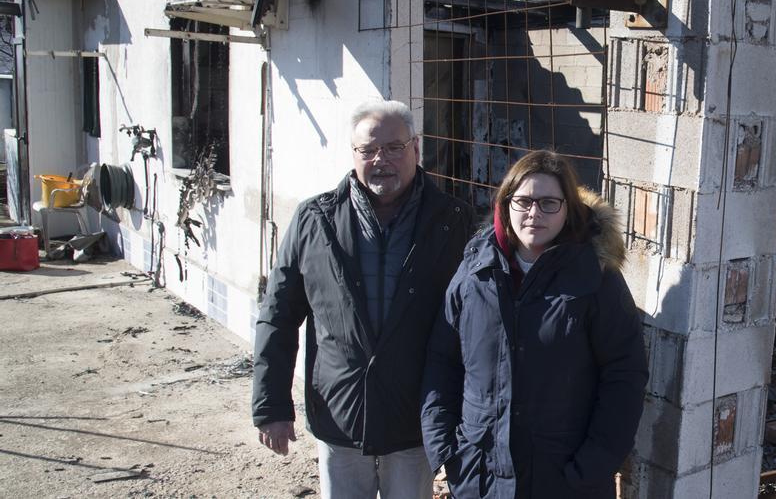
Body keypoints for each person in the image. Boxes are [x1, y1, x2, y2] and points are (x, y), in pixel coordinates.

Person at [252, 100, 473, 498]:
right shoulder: (313, 220)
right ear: (354, 154)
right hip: (340, 413)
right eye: (368, 150)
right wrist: (271, 406)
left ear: (416, 148)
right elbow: (278, 316)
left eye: (393, 147)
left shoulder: (453, 221)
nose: (380, 160)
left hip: (415, 416)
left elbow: (473, 322)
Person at [421, 150, 648, 498]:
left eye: (548, 203)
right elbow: (442, 358)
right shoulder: (474, 270)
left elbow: (624, 375)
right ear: (505, 203)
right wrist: (445, 450)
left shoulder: (595, 278)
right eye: (523, 201)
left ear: (568, 207)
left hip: (564, 479)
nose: (534, 213)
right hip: (480, 475)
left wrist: (594, 465)